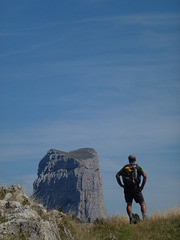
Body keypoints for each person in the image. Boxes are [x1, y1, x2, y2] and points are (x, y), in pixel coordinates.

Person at [116, 154, 147, 224]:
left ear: (129, 160)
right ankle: (144, 217)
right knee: (142, 203)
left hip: (127, 188)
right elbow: (145, 176)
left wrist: (121, 184)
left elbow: (117, 175)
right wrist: (142, 186)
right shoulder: (138, 167)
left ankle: (131, 218)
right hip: (136, 188)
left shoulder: (125, 167)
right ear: (135, 160)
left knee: (129, 204)